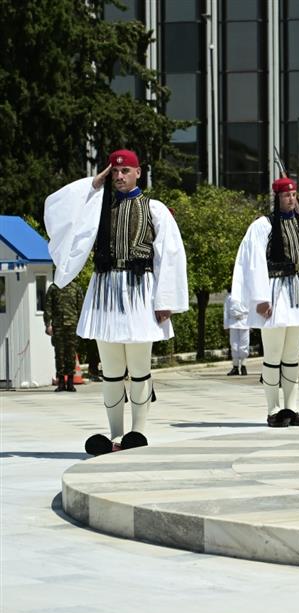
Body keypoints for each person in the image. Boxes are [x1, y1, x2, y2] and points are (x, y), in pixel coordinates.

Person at [44, 149, 189, 455]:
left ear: (138, 173)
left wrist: (165, 300)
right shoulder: (98, 207)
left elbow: (170, 255)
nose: (120, 177)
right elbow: (61, 212)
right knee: (111, 369)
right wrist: (94, 184)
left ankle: (138, 432)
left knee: (138, 368)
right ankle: (115, 435)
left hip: (140, 291)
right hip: (106, 291)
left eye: (125, 171)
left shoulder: (155, 208)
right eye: (115, 172)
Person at [230, 176, 299, 427]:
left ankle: (291, 409)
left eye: (293, 195)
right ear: (277, 198)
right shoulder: (263, 225)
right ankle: (273, 410)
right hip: (274, 293)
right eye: (286, 195)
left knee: (291, 356)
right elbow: (252, 263)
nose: (291, 199)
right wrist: (259, 298)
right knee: (273, 356)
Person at [43, 280, 84, 392]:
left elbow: (81, 308)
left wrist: (82, 326)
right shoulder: (54, 288)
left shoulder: (76, 287)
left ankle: (70, 382)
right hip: (58, 325)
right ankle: (61, 382)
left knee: (71, 353)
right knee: (59, 353)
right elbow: (48, 307)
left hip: (72, 326)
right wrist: (48, 324)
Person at [223, 288, 249, 376]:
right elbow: (226, 312)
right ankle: (235, 367)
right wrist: (226, 325)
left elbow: (251, 310)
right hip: (233, 322)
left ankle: (244, 366)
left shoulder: (246, 295)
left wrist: (251, 323)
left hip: (244, 322)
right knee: (234, 346)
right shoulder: (229, 297)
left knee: (244, 345)